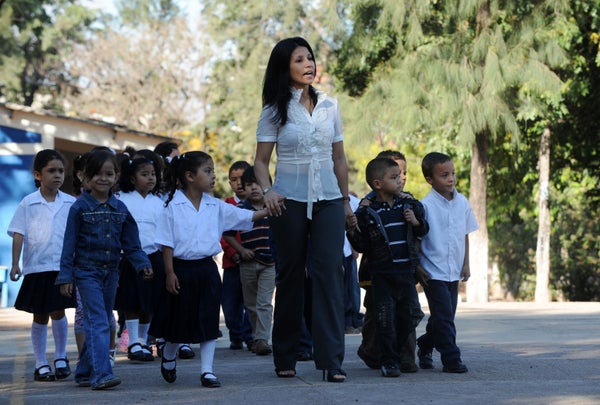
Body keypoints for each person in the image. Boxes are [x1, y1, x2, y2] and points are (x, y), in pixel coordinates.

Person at [254, 36, 353, 382]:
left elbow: (339, 158)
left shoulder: (330, 106)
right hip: (289, 200)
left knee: (330, 273)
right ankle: (287, 355)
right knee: (292, 275)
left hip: (327, 198)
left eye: (310, 58)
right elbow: (261, 162)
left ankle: (332, 361)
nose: (308, 64)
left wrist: (345, 201)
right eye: (299, 60)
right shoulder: (274, 110)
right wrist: (267, 192)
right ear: (285, 67)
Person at [149, 151, 280, 388]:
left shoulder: (215, 205)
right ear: (190, 176)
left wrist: (269, 209)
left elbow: (247, 216)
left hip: (207, 269)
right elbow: (166, 244)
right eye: (207, 171)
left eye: (213, 171)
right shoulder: (172, 205)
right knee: (179, 323)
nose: (213, 177)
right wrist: (169, 273)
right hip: (180, 270)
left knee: (208, 320)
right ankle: (169, 354)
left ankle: (207, 370)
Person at [56, 150, 153, 390]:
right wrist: (66, 276)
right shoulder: (78, 208)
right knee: (99, 321)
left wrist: (143, 264)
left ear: (116, 176)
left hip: (112, 273)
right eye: (96, 174)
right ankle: (102, 375)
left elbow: (132, 244)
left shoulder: (120, 208)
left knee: (104, 323)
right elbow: (68, 245)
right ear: (85, 179)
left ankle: (84, 371)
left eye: (108, 174)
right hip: (86, 272)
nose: (103, 178)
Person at [346, 157, 429, 377]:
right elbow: (362, 245)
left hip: (406, 274)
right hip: (382, 276)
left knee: (411, 315)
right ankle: (389, 360)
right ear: (377, 184)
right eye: (394, 177)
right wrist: (352, 229)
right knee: (385, 321)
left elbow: (423, 231)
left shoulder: (408, 205)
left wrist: (415, 222)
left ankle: (399, 352)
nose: (400, 180)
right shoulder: (366, 212)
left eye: (401, 176)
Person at [7, 149, 76, 382]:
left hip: (61, 266)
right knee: (40, 314)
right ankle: (40, 363)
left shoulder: (70, 202)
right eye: (51, 171)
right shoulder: (28, 203)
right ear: (38, 174)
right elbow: (18, 233)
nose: (57, 175)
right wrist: (15, 264)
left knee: (59, 311)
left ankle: (59, 357)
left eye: (61, 171)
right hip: (37, 267)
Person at [416, 152, 478, 373]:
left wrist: (466, 264)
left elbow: (464, 234)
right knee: (444, 317)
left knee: (445, 316)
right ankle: (451, 358)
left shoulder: (462, 202)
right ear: (430, 179)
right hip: (433, 271)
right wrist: (418, 267)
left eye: (452, 174)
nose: (450, 179)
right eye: (444, 175)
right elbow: (417, 238)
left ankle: (425, 344)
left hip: (454, 270)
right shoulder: (424, 206)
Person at [115, 154, 164, 362]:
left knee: (149, 302)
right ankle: (133, 341)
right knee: (132, 302)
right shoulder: (122, 199)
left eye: (153, 174)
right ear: (132, 179)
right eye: (145, 175)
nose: (151, 178)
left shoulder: (159, 202)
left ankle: (144, 342)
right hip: (130, 257)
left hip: (154, 255)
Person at [223, 166, 276, 356]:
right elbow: (227, 233)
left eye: (258, 183)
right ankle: (255, 337)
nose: (254, 188)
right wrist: (241, 249)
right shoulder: (240, 209)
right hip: (247, 263)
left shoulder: (273, 206)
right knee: (251, 304)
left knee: (264, 302)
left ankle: (262, 339)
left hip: (269, 263)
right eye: (248, 185)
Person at [220, 160, 254, 351]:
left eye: (243, 179)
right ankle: (235, 334)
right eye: (234, 180)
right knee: (231, 303)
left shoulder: (257, 205)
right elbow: (223, 233)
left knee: (251, 301)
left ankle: (250, 335)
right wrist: (233, 252)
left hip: (253, 261)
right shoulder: (226, 205)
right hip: (232, 263)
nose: (239, 183)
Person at [342, 193, 362, 335]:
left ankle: (351, 320)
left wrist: (354, 247)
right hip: (334, 251)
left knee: (351, 288)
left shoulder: (353, 201)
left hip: (347, 250)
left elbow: (356, 225)